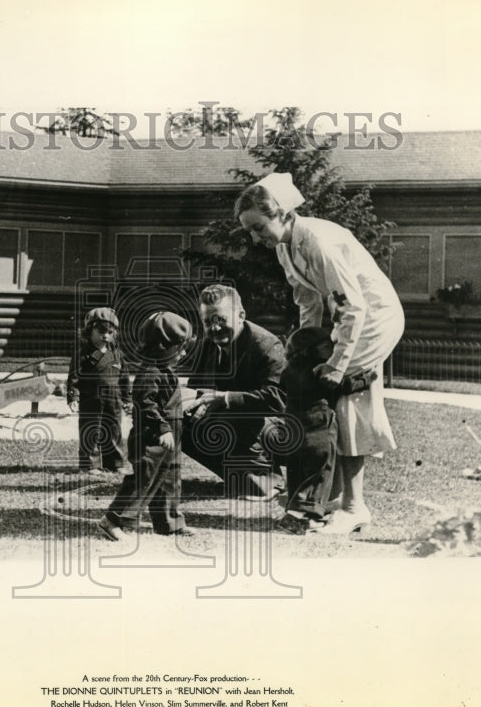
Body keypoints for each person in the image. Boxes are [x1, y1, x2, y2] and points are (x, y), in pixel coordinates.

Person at [235, 172, 405, 535]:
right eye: (249, 231)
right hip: (355, 315)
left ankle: (354, 507)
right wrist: (305, 343)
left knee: (346, 396)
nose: (255, 238)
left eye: (258, 227)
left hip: (373, 316)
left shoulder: (317, 239)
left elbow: (352, 306)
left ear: (280, 213)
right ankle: (337, 495)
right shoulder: (285, 246)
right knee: (331, 391)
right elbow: (307, 298)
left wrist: (337, 362)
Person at [181, 284, 287, 500]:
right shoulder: (207, 344)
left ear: (241, 315)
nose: (215, 328)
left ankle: (270, 479)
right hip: (236, 423)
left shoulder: (267, 345)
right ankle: (242, 477)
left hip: (279, 429)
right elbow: (197, 390)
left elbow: (277, 401)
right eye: (208, 321)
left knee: (231, 414)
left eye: (220, 319)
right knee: (178, 423)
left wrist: (226, 398)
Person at [98, 311, 195, 541]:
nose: (183, 353)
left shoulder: (165, 371)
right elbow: (146, 404)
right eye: (179, 347)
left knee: (170, 478)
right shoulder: (150, 373)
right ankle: (112, 520)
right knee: (144, 477)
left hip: (169, 438)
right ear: (162, 347)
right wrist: (163, 428)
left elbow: (166, 402)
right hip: (151, 436)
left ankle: (168, 522)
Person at [278, 326, 377, 535]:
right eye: (326, 346)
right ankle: (298, 519)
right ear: (310, 350)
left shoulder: (289, 370)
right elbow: (344, 386)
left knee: (298, 472)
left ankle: (294, 511)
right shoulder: (319, 371)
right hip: (318, 426)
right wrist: (367, 378)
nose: (333, 349)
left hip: (294, 425)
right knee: (318, 471)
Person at [66, 307, 131, 476]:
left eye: (110, 332)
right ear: (90, 330)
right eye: (101, 331)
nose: (105, 336)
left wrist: (127, 398)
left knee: (114, 430)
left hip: (113, 399)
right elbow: (74, 376)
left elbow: (124, 377)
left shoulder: (117, 354)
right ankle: (89, 464)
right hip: (91, 398)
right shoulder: (83, 354)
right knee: (91, 430)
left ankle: (115, 463)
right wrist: (73, 396)